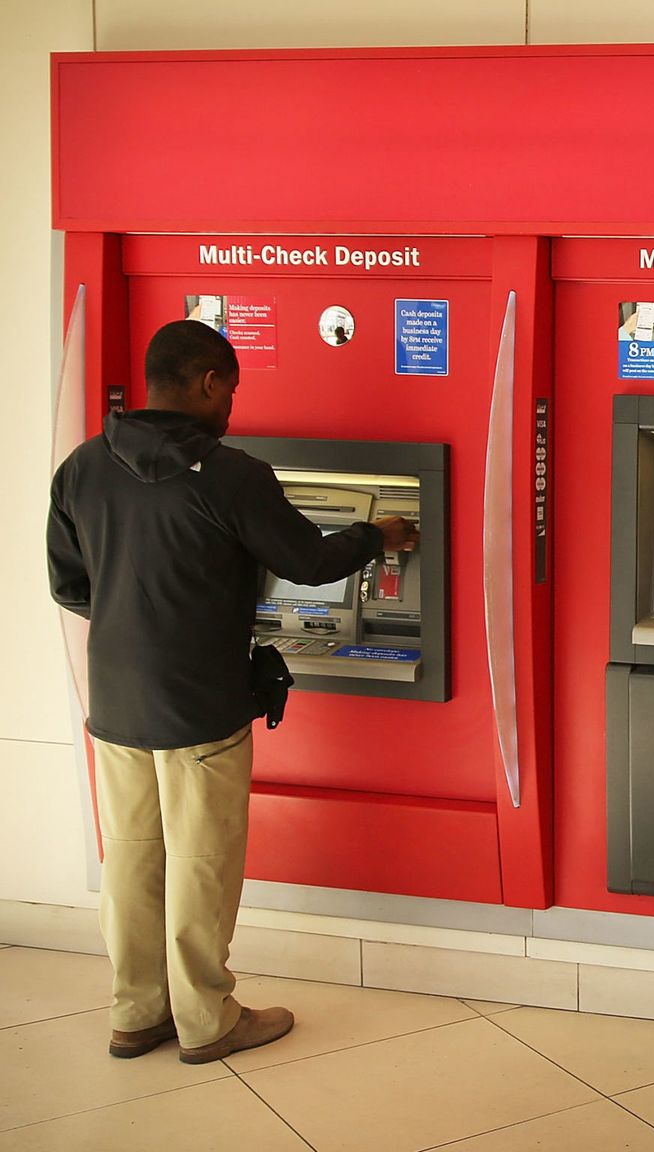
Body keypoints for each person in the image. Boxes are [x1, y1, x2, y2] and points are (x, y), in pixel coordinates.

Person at [46, 320, 418, 1064]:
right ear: (209, 382)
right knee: (199, 862)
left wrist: (138, 619)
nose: (232, 407)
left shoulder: (83, 467)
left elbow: (71, 584)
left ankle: (135, 1013)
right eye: (232, 390)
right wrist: (381, 533)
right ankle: (207, 1017)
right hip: (199, 702)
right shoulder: (231, 474)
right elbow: (309, 561)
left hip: (116, 700)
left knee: (131, 858)